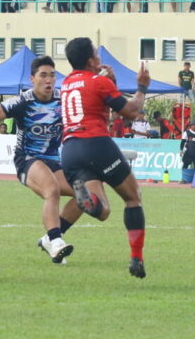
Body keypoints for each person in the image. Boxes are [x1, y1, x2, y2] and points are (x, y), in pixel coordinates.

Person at [0, 56, 80, 264]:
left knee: (85, 195)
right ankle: (57, 240)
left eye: (52, 75)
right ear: (32, 79)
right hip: (27, 159)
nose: (49, 80)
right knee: (52, 190)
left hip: (53, 160)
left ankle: (48, 238)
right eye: (43, 75)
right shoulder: (23, 101)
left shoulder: (63, 99)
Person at [60, 37, 149, 279]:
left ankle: (86, 199)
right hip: (96, 144)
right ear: (91, 60)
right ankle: (136, 258)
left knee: (103, 211)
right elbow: (131, 111)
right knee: (133, 198)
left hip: (69, 150)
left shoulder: (66, 83)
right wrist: (141, 87)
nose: (100, 58)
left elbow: (97, 107)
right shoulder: (98, 82)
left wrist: (112, 83)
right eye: (97, 55)